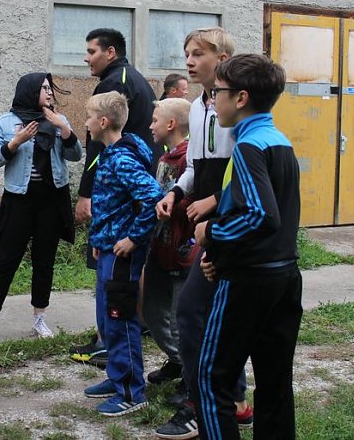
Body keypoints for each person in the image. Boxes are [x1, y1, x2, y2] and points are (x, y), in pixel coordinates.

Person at [193, 54, 302, 440]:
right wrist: (221, 259)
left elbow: (259, 216)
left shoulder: (249, 146)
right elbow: (277, 222)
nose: (211, 100)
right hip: (283, 276)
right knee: (274, 383)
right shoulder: (279, 140)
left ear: (240, 98)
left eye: (216, 93)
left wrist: (211, 234)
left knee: (211, 380)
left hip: (249, 285)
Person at [154, 27, 251, 440]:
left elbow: (248, 169)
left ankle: (207, 402)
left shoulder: (242, 104)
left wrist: (214, 201)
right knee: (204, 311)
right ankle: (229, 398)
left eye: (198, 54)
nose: (189, 62)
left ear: (223, 58)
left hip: (232, 217)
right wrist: (177, 192)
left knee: (201, 312)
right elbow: (196, 164)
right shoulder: (197, 106)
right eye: (186, 54)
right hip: (204, 221)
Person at [0, 73, 82, 344]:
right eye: (44, 88)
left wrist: (64, 131)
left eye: (50, 89)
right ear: (29, 91)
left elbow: (75, 155)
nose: (50, 93)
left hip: (52, 200)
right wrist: (15, 142)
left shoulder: (58, 120)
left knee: (45, 261)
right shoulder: (6, 122)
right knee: (7, 260)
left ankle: (40, 317)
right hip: (19, 199)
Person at [70, 28, 160, 366]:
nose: (86, 57)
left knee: (114, 277)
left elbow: (97, 147)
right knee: (123, 273)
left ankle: (111, 340)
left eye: (91, 51)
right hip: (128, 196)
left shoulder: (114, 82)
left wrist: (85, 193)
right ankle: (117, 334)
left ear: (110, 52)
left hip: (121, 197)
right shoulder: (132, 76)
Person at [81, 91, 164, 417]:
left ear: (103, 122)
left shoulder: (123, 159)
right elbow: (113, 204)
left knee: (120, 319)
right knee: (106, 318)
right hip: (108, 247)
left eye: (89, 117)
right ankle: (117, 377)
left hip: (122, 253)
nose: (85, 123)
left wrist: (133, 238)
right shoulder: (112, 153)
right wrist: (100, 238)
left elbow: (153, 197)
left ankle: (131, 391)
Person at [141, 98, 194, 389]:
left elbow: (192, 203)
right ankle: (178, 360)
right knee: (152, 311)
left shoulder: (188, 159)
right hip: (159, 248)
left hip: (179, 252)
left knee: (176, 318)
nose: (150, 125)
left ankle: (189, 373)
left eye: (155, 120)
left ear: (171, 124)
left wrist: (175, 205)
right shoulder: (164, 158)